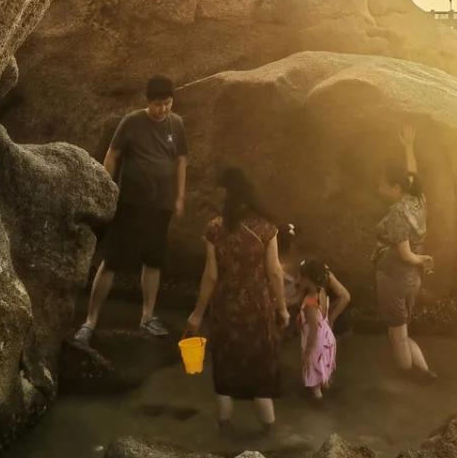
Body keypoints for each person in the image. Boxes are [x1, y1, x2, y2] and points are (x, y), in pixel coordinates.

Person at [74, 75, 187, 344]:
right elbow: (112, 155)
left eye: (168, 103)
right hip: (130, 204)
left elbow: (182, 160)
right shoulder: (131, 122)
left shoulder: (176, 124)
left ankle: (147, 317)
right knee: (112, 260)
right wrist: (105, 188)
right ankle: (90, 321)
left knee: (153, 260)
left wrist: (180, 196)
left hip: (160, 205)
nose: (163, 109)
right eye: (158, 104)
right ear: (148, 102)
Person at [185, 168, 288, 429]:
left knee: (225, 374)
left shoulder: (215, 229)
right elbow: (275, 272)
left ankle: (223, 434)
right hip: (258, 310)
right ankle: (269, 437)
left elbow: (210, 276)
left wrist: (197, 314)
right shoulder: (267, 228)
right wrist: (283, 309)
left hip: (225, 310)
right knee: (261, 378)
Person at [374, 124, 435, 379]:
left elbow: (406, 255)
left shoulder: (398, 214)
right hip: (411, 281)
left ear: (396, 188)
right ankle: (425, 372)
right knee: (402, 329)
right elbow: (412, 173)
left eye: (383, 185)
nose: (379, 188)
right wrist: (408, 146)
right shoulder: (416, 198)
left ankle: (409, 376)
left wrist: (423, 259)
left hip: (395, 278)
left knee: (398, 335)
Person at [298, 257, 349, 399]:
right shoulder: (322, 292)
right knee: (323, 364)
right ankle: (325, 385)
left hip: (316, 342)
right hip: (327, 337)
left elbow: (313, 330)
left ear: (307, 279)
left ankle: (317, 396)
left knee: (313, 367)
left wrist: (307, 352)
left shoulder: (309, 303)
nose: (299, 279)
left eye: (301, 276)